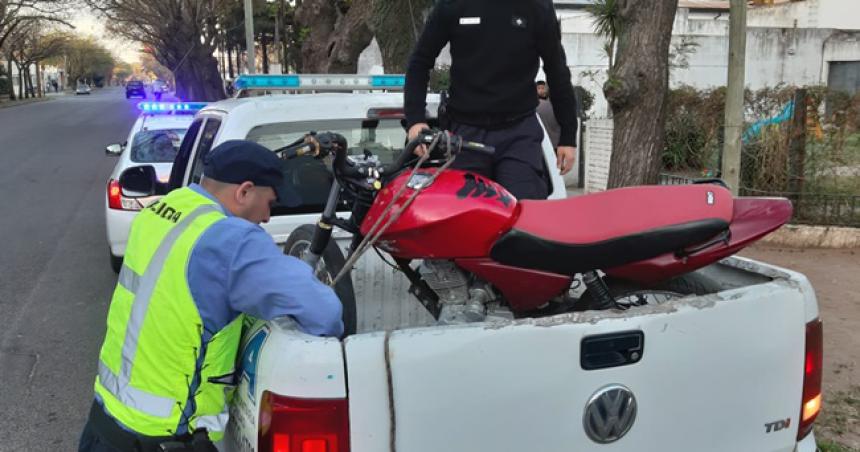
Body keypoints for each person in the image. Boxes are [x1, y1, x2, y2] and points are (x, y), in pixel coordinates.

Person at [79, 140, 343, 452]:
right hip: (164, 438)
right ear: (244, 192)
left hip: (105, 421)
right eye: (270, 202)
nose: (268, 217)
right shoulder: (230, 240)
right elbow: (325, 312)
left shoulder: (165, 209)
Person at [404, 0, 578, 200]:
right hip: (465, 133)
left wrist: (568, 136)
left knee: (526, 217)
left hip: (518, 133)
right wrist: (415, 119)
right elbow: (420, 61)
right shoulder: (453, 5)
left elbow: (557, 70)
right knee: (466, 219)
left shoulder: (537, 6)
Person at [535, 80, 561, 150]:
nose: (541, 90)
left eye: (542, 88)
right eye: (539, 88)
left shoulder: (534, 106)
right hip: (555, 144)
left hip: (543, 145)